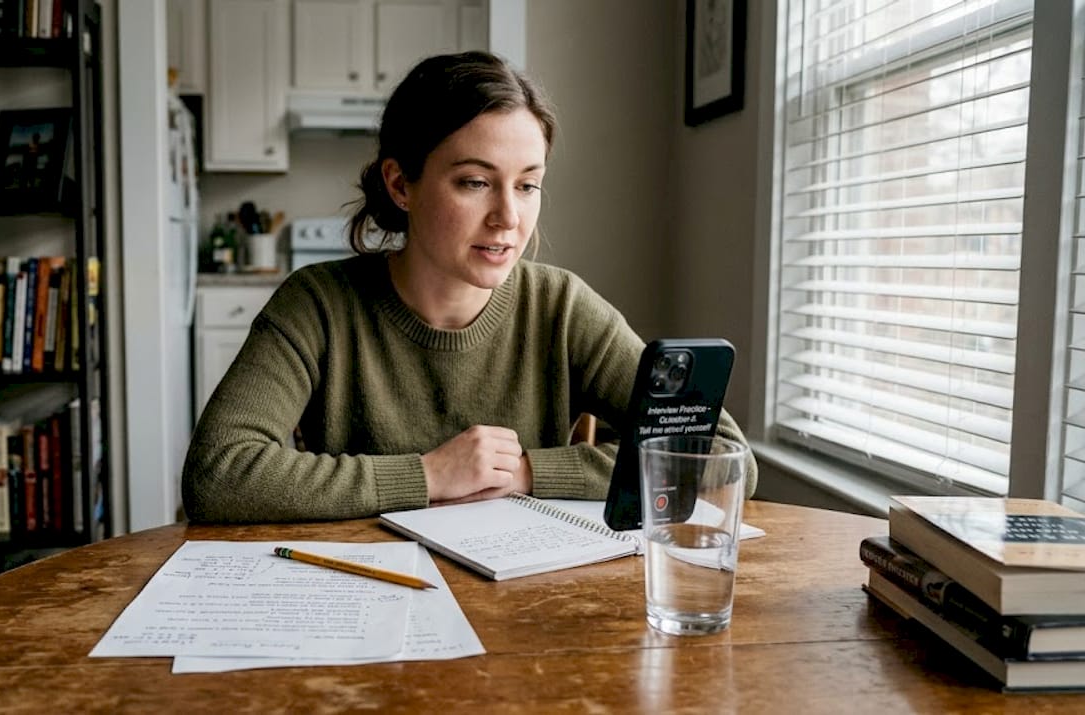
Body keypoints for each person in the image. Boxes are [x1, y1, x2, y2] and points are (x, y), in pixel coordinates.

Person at [182, 51, 757, 524]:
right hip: (363, 605)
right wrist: (429, 475)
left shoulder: (561, 306)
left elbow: (726, 457)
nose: (508, 217)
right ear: (400, 184)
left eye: (528, 186)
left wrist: (527, 471)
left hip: (522, 605)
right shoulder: (318, 304)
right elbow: (220, 473)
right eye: (476, 182)